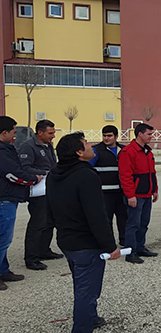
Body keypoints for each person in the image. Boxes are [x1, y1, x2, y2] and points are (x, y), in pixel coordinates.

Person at [47, 132, 121, 332]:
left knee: (82, 285)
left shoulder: (54, 174)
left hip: (67, 240)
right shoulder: (86, 176)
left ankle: (91, 318)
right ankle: (82, 327)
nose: (91, 147)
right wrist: (110, 245)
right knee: (86, 291)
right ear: (79, 152)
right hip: (86, 244)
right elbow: (97, 215)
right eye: (86, 144)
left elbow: (50, 208)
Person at [0, 116, 41, 291]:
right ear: (4, 133)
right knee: (4, 239)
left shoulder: (7, 149)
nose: (15, 135)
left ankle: (3, 270)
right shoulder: (2, 152)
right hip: (4, 199)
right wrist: (34, 179)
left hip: (9, 197)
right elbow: (13, 174)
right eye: (13, 132)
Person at [19, 119, 61, 271]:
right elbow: (24, 168)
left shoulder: (48, 146)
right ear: (40, 132)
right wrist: (44, 173)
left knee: (49, 222)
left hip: (50, 189)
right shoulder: (28, 147)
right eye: (50, 133)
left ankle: (44, 250)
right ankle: (31, 258)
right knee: (37, 224)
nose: (53, 136)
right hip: (38, 191)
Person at [118, 123, 158, 264]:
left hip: (146, 194)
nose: (151, 137)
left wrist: (155, 190)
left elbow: (152, 173)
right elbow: (125, 175)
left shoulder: (147, 151)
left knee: (143, 223)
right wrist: (130, 195)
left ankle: (140, 247)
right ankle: (131, 252)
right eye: (149, 134)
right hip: (136, 195)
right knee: (133, 224)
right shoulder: (128, 152)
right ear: (140, 134)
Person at [89, 125, 126, 246]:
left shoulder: (124, 150)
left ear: (116, 136)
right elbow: (89, 169)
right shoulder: (96, 151)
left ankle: (124, 240)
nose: (106, 138)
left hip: (121, 192)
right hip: (104, 193)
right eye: (104, 135)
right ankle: (109, 244)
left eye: (109, 136)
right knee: (106, 220)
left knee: (124, 218)